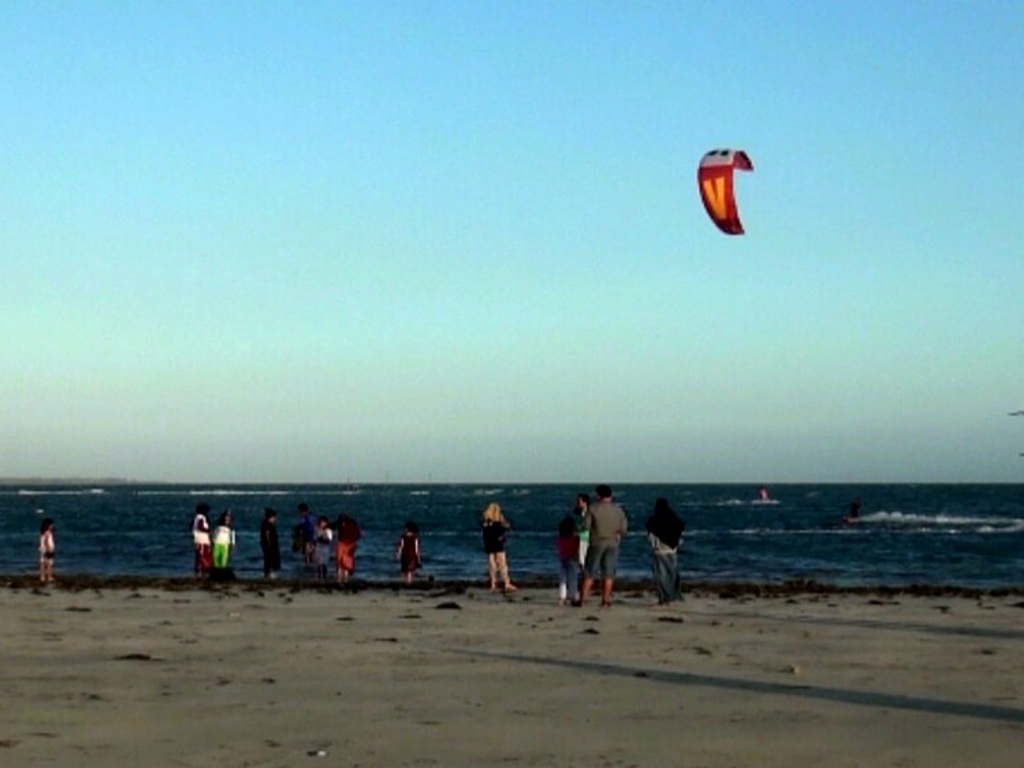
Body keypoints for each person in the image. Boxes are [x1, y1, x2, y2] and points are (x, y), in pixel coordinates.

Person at [580, 484, 627, 608]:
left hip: (597, 542)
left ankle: (583, 600)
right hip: (613, 543)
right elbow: (623, 529)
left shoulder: (593, 509)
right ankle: (605, 600)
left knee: (590, 571)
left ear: (598, 495)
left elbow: (586, 526)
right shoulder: (618, 510)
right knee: (608, 573)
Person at [644, 497, 685, 606]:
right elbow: (680, 526)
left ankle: (665, 598)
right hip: (672, 549)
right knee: (673, 574)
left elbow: (650, 532)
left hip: (659, 550)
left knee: (661, 575)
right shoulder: (673, 517)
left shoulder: (654, 520)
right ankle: (675, 595)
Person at [481, 502, 517, 593]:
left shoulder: (486, 524)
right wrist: (503, 521)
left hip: (488, 545)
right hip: (497, 545)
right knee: (502, 565)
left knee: (492, 564)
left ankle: (493, 583)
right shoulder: (498, 524)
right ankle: (506, 583)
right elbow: (504, 530)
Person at [556, 513, 580, 606]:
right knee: (573, 579)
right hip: (572, 559)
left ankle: (562, 597)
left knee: (563, 580)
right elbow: (576, 549)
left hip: (562, 558)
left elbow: (558, 549)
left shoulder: (560, 538)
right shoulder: (575, 538)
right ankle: (573, 596)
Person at [335, 513, 362, 584]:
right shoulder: (353, 524)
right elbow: (358, 535)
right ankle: (345, 580)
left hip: (344, 544)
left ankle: (340, 580)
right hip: (349, 544)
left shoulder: (343, 524)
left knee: (341, 564)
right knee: (346, 564)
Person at [397, 520, 421, 585]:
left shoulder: (403, 537)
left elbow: (400, 546)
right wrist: (419, 559)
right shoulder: (415, 537)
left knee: (404, 570)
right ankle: (409, 582)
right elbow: (417, 549)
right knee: (410, 571)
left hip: (404, 555)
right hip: (412, 556)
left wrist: (398, 554)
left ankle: (406, 582)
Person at [192, 502, 213, 577]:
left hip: (198, 538)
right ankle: (202, 568)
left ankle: (199, 568)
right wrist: (208, 530)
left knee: (199, 554)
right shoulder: (201, 517)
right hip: (202, 539)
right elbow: (200, 527)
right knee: (203, 554)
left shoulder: (196, 517)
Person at [260, 508, 281, 579]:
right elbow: (267, 534)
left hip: (271, 544)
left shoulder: (268, 524)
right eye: (274, 517)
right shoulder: (267, 524)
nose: (275, 519)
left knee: (270, 559)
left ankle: (269, 572)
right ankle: (269, 573)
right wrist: (269, 543)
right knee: (270, 559)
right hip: (269, 545)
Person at [314, 515, 333, 583]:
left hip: (325, 548)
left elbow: (329, 539)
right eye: (321, 522)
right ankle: (319, 577)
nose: (322, 524)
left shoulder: (329, 530)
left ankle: (324, 577)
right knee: (319, 564)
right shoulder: (317, 529)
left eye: (324, 522)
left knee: (324, 564)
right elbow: (315, 538)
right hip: (319, 548)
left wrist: (324, 535)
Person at [39, 517, 56, 584]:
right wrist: (49, 548)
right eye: (51, 525)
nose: (52, 526)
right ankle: (49, 576)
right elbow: (46, 541)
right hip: (47, 549)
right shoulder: (48, 533)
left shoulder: (43, 533)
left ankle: (42, 577)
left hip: (43, 549)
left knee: (43, 563)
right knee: (49, 563)